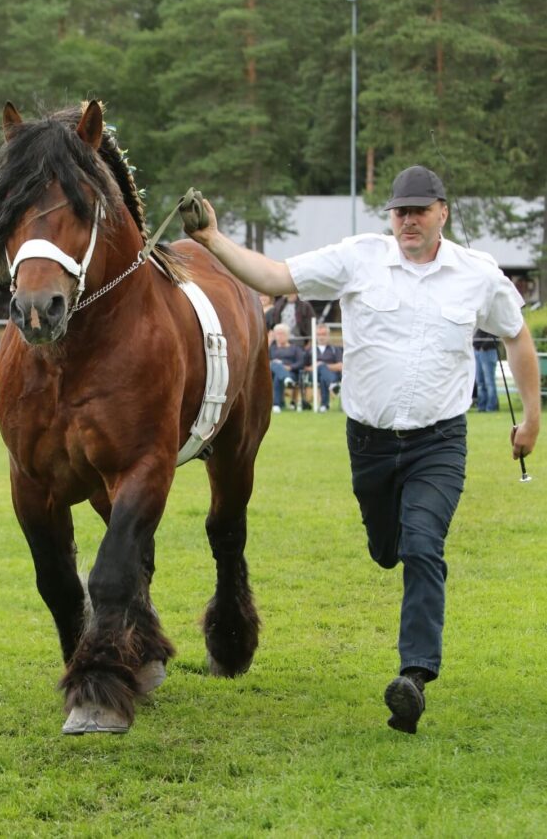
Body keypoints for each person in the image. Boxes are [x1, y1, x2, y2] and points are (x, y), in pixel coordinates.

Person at [185, 165, 540, 735]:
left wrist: (530, 416)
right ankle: (393, 548)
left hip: (439, 441)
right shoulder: (359, 257)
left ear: (442, 212)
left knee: (424, 546)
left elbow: (516, 335)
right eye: (400, 211)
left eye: (420, 211)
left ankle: (414, 678)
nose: (408, 221)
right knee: (387, 547)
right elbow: (275, 277)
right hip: (370, 443)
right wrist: (213, 240)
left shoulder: (478, 274)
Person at [303, 322, 343, 412]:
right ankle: (332, 385)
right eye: (319, 334)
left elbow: (340, 366)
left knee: (323, 376)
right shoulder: (310, 350)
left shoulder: (335, 349)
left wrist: (323, 365)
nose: (321, 337)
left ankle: (324, 405)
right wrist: (315, 367)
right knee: (321, 369)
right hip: (313, 375)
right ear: (315, 335)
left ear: (328, 335)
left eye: (324, 334)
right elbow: (304, 367)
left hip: (333, 375)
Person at [269, 323, 304, 413]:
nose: (280, 336)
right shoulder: (271, 349)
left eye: (282, 334)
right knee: (274, 364)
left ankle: (276, 405)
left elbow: (301, 362)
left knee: (278, 377)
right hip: (271, 374)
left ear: (288, 335)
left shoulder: (295, 348)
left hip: (292, 373)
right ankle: (286, 379)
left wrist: (289, 367)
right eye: (278, 334)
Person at [473, 329, 499, 412]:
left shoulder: (492, 322)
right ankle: (482, 406)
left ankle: (491, 407)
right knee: (480, 382)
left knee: (489, 382)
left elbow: (494, 335)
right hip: (478, 351)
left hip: (488, 351)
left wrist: (483, 347)